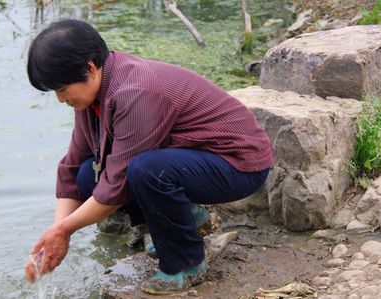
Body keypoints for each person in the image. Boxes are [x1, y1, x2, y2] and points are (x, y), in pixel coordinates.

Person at [24, 19, 273, 295]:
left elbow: (116, 188)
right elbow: (72, 167)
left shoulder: (134, 92)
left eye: (62, 89)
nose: (61, 99)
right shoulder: (92, 95)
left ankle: (186, 263)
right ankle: (187, 218)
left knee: (146, 170)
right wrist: (58, 228)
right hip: (190, 159)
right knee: (87, 175)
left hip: (237, 162)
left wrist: (64, 231)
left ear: (89, 69)